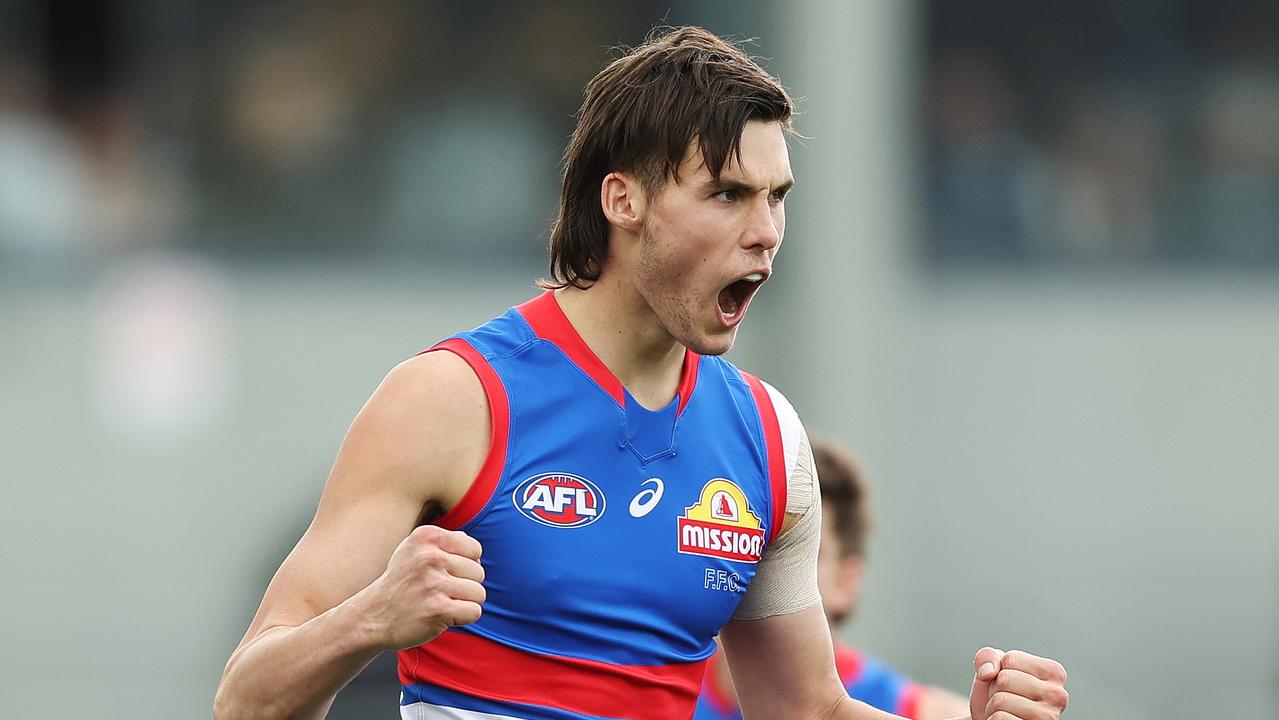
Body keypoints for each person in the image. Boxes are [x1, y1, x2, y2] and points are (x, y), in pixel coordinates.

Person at [214, 27, 1069, 720]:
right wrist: (372, 619)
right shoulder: (453, 399)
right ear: (621, 202)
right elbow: (243, 702)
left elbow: (804, 711)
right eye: (728, 194)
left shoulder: (768, 440)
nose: (767, 230)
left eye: (778, 197)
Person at [694, 440, 970, 719]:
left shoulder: (921, 710)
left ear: (846, 581)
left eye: (799, 550)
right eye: (756, 542)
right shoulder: (665, 688)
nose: (765, 566)